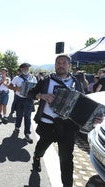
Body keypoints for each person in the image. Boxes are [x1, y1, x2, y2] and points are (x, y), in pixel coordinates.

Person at [28, 54, 96, 187]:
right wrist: (42, 95)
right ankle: (37, 157)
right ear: (55, 65)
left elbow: (83, 104)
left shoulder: (77, 83)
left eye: (64, 63)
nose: (60, 65)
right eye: (58, 63)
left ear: (69, 66)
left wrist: (94, 116)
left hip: (67, 127)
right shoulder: (46, 80)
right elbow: (31, 93)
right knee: (41, 146)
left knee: (66, 160)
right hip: (48, 124)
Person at [12, 63, 37, 143]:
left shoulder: (33, 78)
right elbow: (10, 86)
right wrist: (16, 88)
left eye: (27, 68)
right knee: (19, 115)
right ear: (21, 69)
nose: (26, 69)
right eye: (24, 68)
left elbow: (36, 87)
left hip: (29, 100)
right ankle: (17, 127)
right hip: (20, 99)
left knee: (28, 117)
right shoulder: (17, 78)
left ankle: (27, 133)